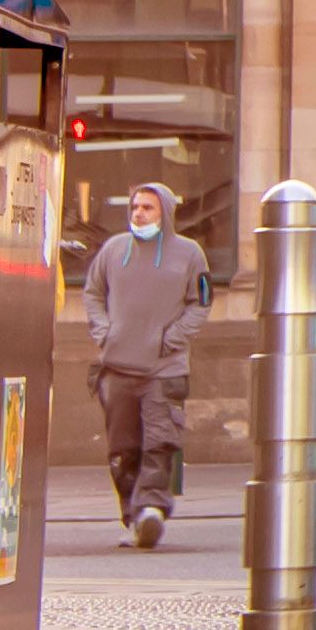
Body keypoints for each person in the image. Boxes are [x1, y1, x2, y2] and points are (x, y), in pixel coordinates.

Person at [78, 183, 206, 549]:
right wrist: (104, 331)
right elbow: (93, 293)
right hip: (117, 367)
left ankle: (151, 508)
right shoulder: (114, 249)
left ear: (165, 211)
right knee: (122, 450)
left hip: (164, 370)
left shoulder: (190, 254)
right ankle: (132, 515)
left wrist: (172, 338)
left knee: (159, 442)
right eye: (135, 206)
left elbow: (201, 302)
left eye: (148, 207)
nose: (139, 213)